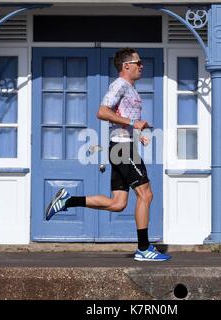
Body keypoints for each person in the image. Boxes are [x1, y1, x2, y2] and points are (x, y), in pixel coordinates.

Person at [45, 48, 170, 262]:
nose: (142, 66)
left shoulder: (130, 88)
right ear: (126, 66)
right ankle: (143, 248)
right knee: (146, 194)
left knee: (118, 203)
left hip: (122, 145)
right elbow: (102, 111)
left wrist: (136, 132)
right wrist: (133, 124)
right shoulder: (119, 85)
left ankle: (67, 200)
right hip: (122, 148)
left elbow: (119, 117)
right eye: (138, 63)